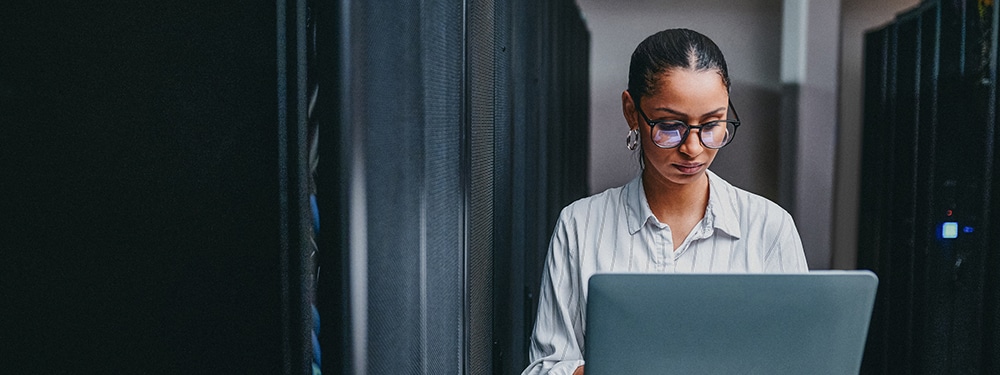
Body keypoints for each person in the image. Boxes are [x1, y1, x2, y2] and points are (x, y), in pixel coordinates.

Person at [520, 28, 809, 375]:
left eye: (712, 124)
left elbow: (799, 360)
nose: (693, 147)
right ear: (632, 111)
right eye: (671, 125)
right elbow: (545, 368)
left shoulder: (769, 228)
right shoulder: (580, 226)